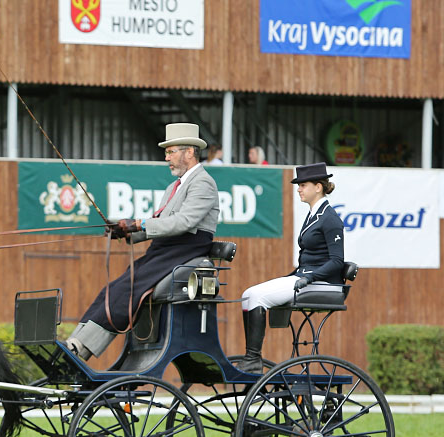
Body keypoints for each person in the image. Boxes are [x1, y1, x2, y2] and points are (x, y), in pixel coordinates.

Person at [66, 123, 220, 360]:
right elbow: (161, 222)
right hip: (166, 249)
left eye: (171, 152)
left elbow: (184, 222)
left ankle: (82, 349)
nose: (166, 157)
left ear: (189, 152)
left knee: (128, 290)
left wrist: (139, 224)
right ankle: (76, 343)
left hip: (185, 250)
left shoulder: (204, 183)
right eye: (166, 152)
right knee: (112, 289)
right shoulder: (173, 187)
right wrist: (126, 231)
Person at [237, 162, 345, 373]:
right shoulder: (313, 216)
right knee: (248, 294)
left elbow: (337, 262)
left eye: (303, 185)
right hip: (305, 278)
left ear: (318, 187)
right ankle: (251, 356)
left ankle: (252, 359)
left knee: (258, 297)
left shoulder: (330, 219)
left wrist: (310, 278)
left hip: (324, 284)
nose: (299, 189)